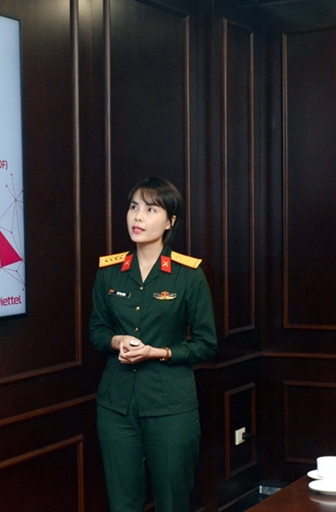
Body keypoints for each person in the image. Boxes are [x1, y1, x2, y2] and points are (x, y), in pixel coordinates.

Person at [89, 177, 218, 512]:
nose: (138, 217)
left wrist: (158, 352)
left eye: (150, 210)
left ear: (170, 222)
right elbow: (97, 331)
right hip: (116, 404)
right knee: (122, 502)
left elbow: (206, 345)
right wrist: (117, 340)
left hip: (170, 404)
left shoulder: (188, 274)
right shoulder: (110, 271)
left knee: (173, 501)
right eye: (134, 207)